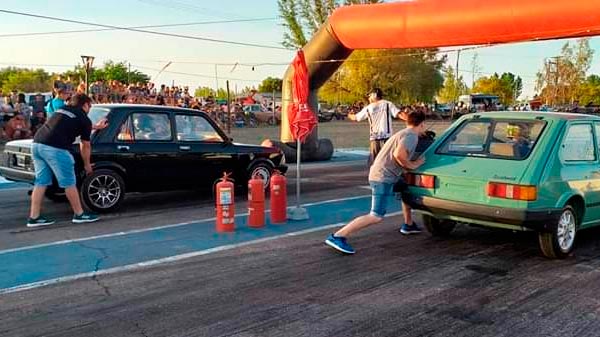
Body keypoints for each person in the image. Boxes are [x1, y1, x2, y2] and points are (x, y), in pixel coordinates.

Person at [325, 110, 427, 254]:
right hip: (382, 178)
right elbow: (399, 155)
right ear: (422, 124)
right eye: (425, 125)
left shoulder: (403, 133)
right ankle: (338, 236)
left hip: (386, 175)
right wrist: (414, 165)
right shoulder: (411, 136)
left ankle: (408, 224)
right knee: (376, 216)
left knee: (406, 188)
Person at [27, 93, 108, 227]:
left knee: (41, 181)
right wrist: (87, 164)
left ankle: (34, 217)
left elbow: (70, 124)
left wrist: (95, 127)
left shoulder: (62, 110)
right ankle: (79, 214)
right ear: (85, 105)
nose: (90, 109)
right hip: (56, 148)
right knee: (69, 182)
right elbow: (85, 145)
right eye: (90, 106)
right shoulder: (83, 118)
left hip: (37, 144)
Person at [354, 88, 401, 166]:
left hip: (375, 138)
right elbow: (398, 114)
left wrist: (350, 115)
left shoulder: (368, 108)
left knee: (374, 162)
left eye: (369, 96)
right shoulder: (388, 104)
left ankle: (374, 176)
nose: (368, 98)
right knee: (389, 161)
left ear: (374, 95)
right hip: (387, 138)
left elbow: (356, 118)